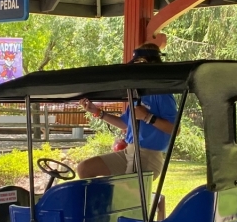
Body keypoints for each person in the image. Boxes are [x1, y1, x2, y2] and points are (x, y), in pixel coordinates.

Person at [76, 43, 177, 179]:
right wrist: (98, 112)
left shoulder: (161, 93)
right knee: (84, 169)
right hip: (129, 151)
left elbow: (175, 129)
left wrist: (147, 117)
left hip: (147, 155)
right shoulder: (138, 93)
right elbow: (124, 123)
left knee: (124, 190)